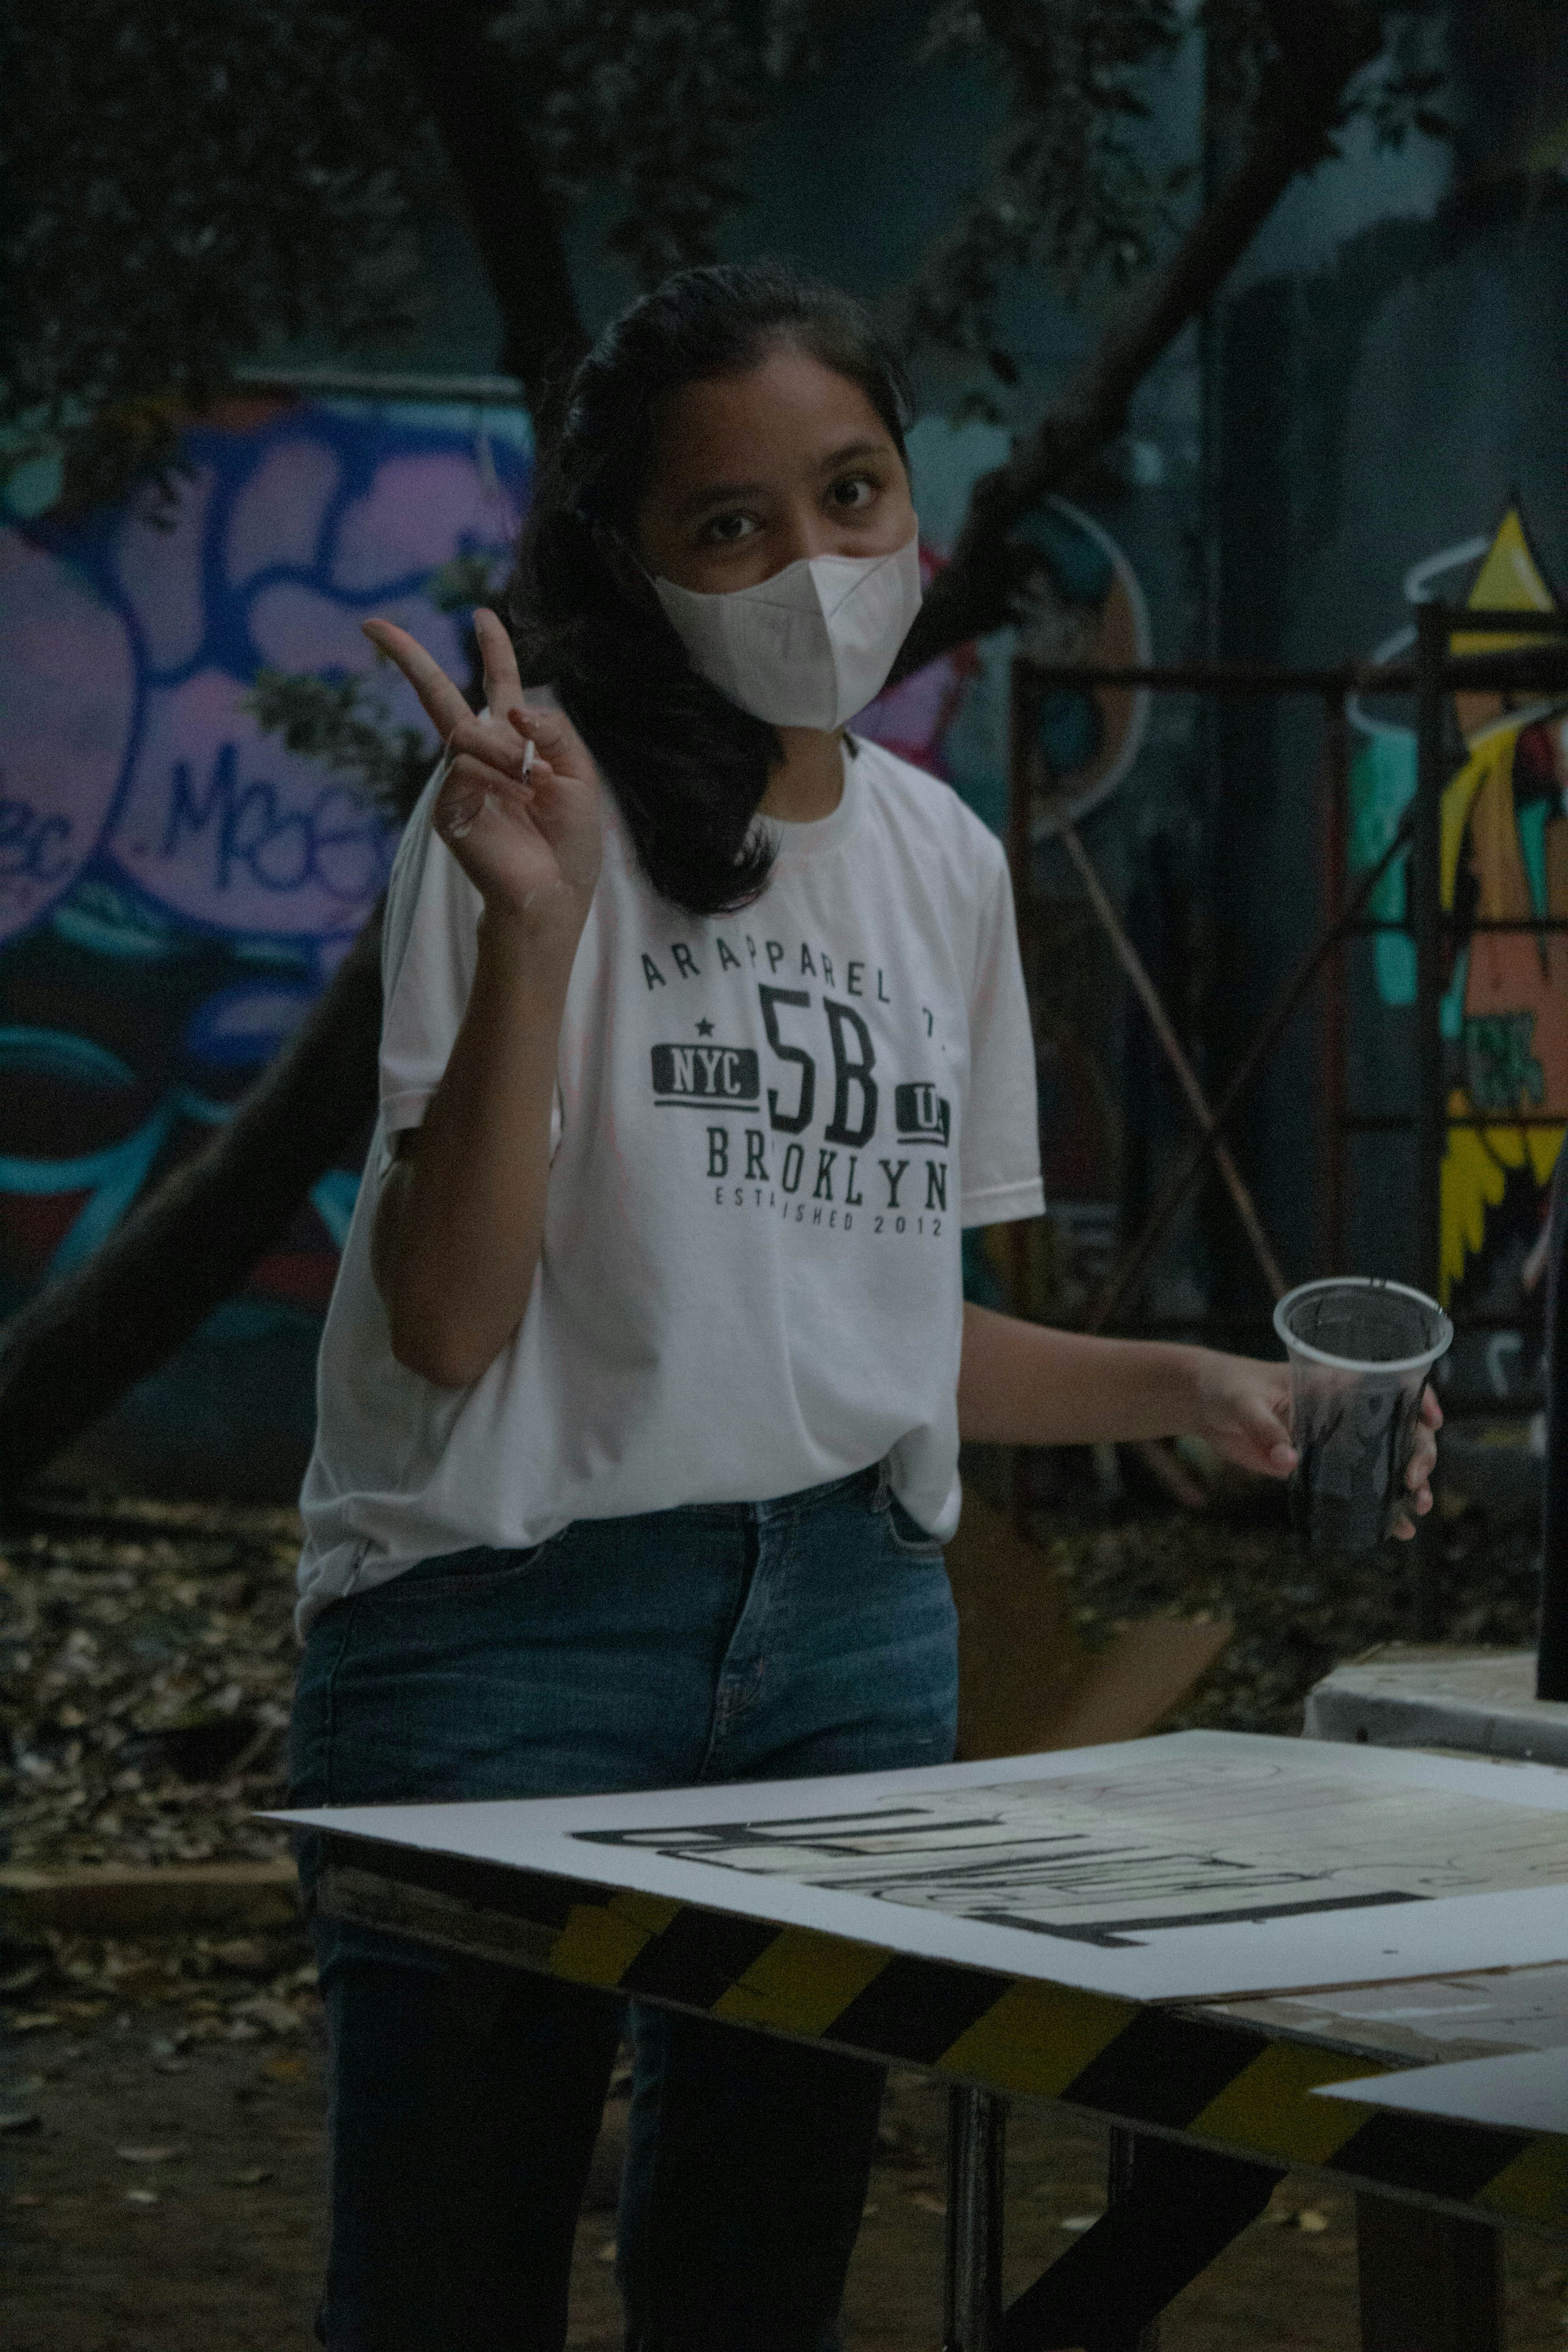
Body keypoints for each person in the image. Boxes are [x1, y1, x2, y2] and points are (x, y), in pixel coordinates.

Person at [287, 260, 1439, 2352]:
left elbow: (883, 1334)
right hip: (512, 1634)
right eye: (732, 524)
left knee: (757, 2294)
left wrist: (1199, 1382)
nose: (815, 566)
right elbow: (447, 1332)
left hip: (846, 1646)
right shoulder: (530, 812)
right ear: (633, 559)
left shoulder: (944, 862)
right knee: (445, 2297)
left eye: (851, 493)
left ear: (914, 493)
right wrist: (535, 934)